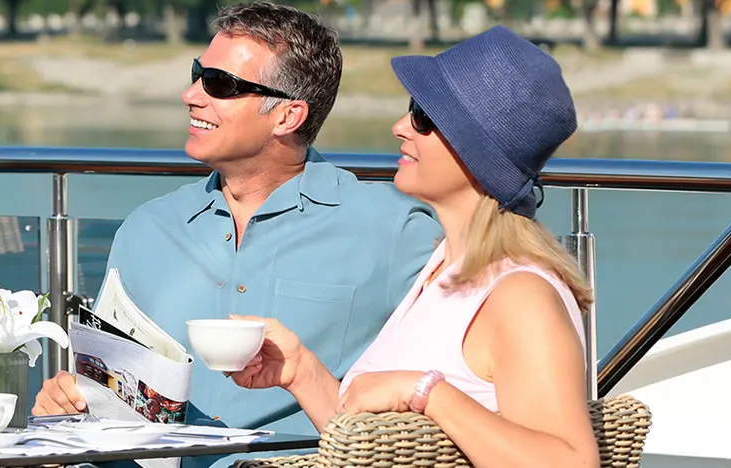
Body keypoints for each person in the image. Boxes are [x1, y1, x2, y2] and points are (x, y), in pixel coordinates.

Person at [32, 1, 440, 457]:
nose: (192, 94)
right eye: (197, 73)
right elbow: (110, 394)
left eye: (219, 84)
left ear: (288, 116)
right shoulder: (145, 230)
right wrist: (67, 409)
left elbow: (444, 401)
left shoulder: (395, 232)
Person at [228, 26, 598, 468]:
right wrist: (300, 370)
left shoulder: (520, 295)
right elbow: (375, 454)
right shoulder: (445, 267)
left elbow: (571, 462)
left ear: (476, 152)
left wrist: (428, 392)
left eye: (423, 115)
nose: (400, 127)